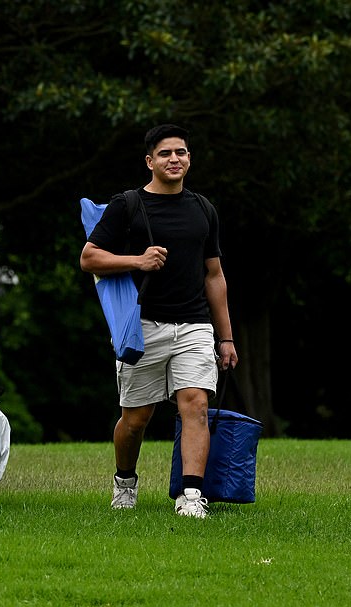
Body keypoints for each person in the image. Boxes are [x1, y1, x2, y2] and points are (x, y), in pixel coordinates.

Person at [80, 123, 238, 518]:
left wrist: (227, 338)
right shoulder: (127, 205)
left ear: (189, 159)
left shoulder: (203, 209)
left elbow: (214, 275)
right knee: (136, 420)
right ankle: (125, 481)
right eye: (166, 153)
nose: (174, 159)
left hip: (194, 325)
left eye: (181, 152)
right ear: (149, 161)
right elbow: (89, 258)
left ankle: (191, 495)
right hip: (143, 327)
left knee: (195, 406)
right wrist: (137, 260)